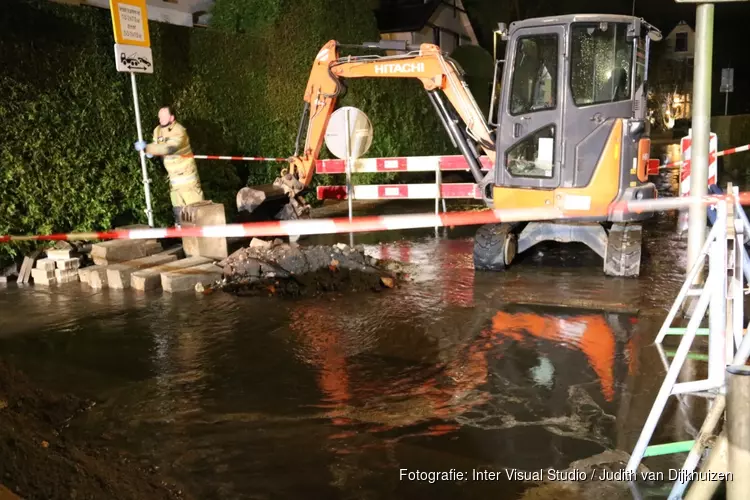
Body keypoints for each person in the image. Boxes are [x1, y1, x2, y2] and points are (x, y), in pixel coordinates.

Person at [134, 106, 204, 225]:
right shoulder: (157, 131)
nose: (160, 118)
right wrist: (151, 152)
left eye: (163, 116)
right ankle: (185, 239)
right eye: (159, 116)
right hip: (174, 182)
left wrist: (147, 148)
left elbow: (170, 148)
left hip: (188, 180)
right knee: (180, 215)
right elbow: (158, 146)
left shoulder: (179, 131)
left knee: (197, 214)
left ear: (172, 117)